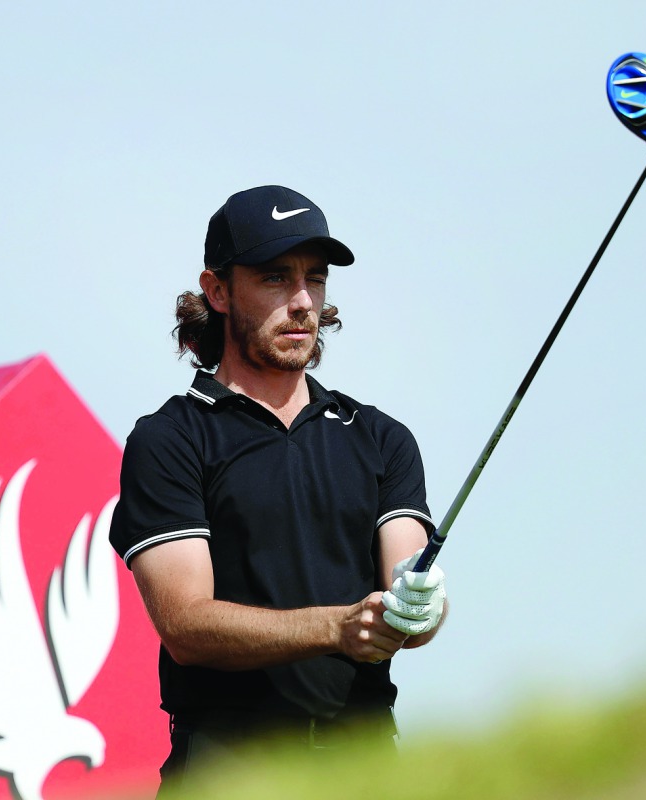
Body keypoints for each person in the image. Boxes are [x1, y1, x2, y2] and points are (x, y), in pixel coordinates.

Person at [110, 185, 447, 793]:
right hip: (228, 768)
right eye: (274, 279)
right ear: (217, 291)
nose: (301, 302)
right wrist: (338, 627)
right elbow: (185, 627)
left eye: (314, 280)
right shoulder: (170, 440)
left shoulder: (380, 437)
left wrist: (422, 608)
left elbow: (407, 587)